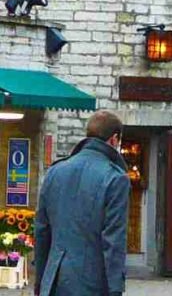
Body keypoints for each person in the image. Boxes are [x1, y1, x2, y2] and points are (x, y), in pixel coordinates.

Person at [34, 110, 130, 296]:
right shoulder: (115, 178)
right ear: (114, 139)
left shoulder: (55, 171)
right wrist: (116, 289)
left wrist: (40, 282)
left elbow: (41, 232)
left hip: (54, 281)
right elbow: (114, 240)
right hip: (92, 283)